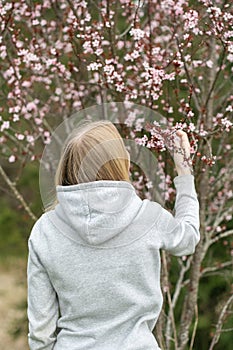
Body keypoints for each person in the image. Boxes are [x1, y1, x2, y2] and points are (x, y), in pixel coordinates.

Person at [27, 120, 200, 350]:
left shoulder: (45, 230)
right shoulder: (147, 217)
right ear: (121, 164)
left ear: (66, 168)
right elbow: (188, 238)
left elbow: (40, 333)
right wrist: (185, 173)